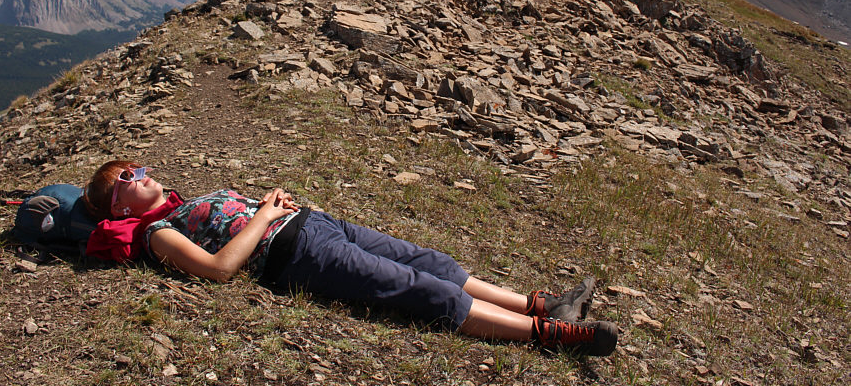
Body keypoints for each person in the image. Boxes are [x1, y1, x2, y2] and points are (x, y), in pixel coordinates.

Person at [81, 160, 617, 356]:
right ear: (117, 205)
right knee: (415, 288)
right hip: (295, 253)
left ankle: (537, 304)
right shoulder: (158, 235)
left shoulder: (184, 202)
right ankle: (548, 336)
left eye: (136, 166)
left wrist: (273, 206)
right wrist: (266, 218)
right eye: (126, 177)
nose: (141, 172)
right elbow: (221, 269)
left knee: (432, 263)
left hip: (314, 224)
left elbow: (237, 221)